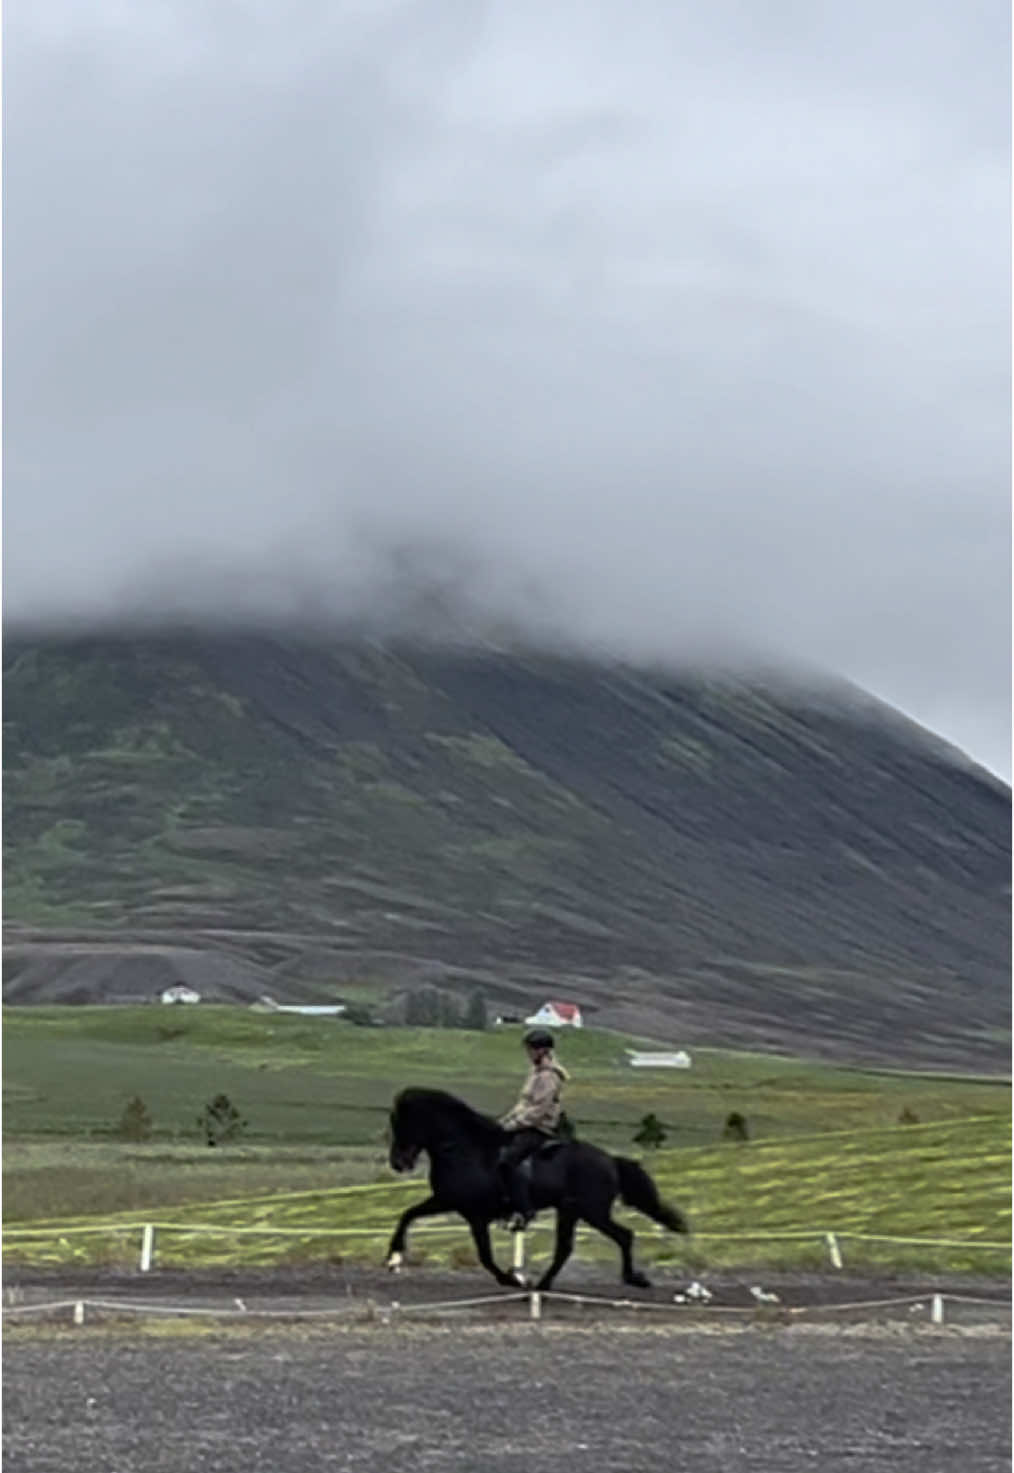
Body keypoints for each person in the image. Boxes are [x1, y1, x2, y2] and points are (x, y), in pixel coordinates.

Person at [497, 1028, 569, 1229]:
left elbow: (538, 1110)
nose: (528, 1054)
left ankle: (525, 1210)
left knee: (507, 1162)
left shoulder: (548, 1076)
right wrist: (504, 1122)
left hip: (538, 1129)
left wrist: (513, 1125)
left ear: (542, 1051)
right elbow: (523, 1103)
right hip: (525, 1124)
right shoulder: (535, 1073)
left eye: (530, 1050)